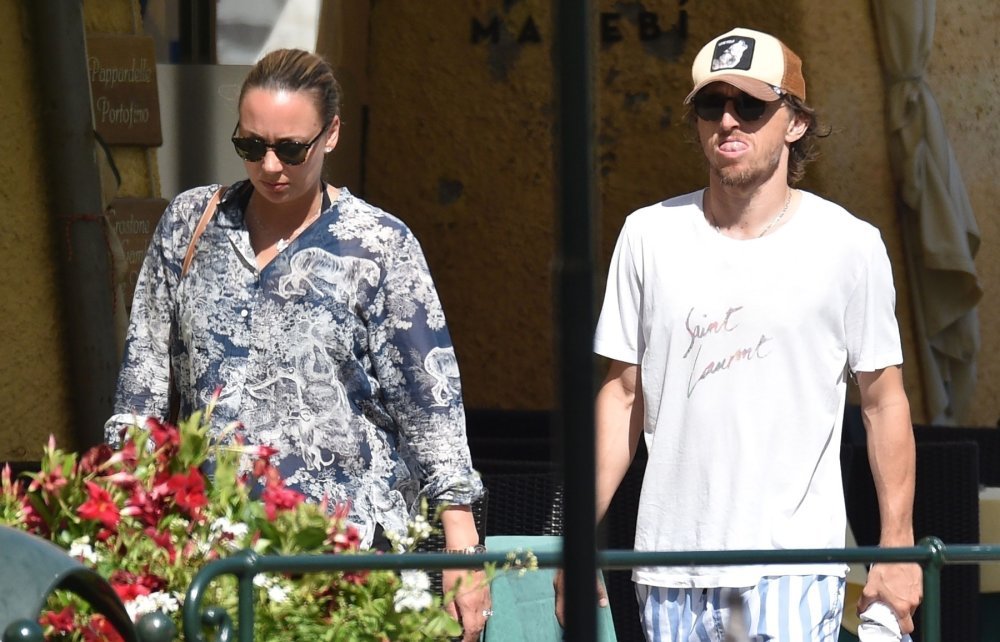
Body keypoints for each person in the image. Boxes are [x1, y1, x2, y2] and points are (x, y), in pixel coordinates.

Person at [105, 48, 490, 640]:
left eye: (291, 148)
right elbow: (144, 380)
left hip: (342, 554)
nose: (270, 165)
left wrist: (461, 543)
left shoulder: (379, 246)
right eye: (250, 145)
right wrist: (127, 512)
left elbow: (429, 400)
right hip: (209, 551)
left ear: (330, 134)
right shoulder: (190, 224)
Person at [558, 27, 922, 640]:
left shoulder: (849, 245)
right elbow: (622, 395)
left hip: (791, 568)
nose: (728, 121)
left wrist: (898, 546)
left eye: (751, 105)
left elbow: (884, 402)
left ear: (796, 123)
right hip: (668, 568)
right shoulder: (647, 235)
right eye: (711, 104)